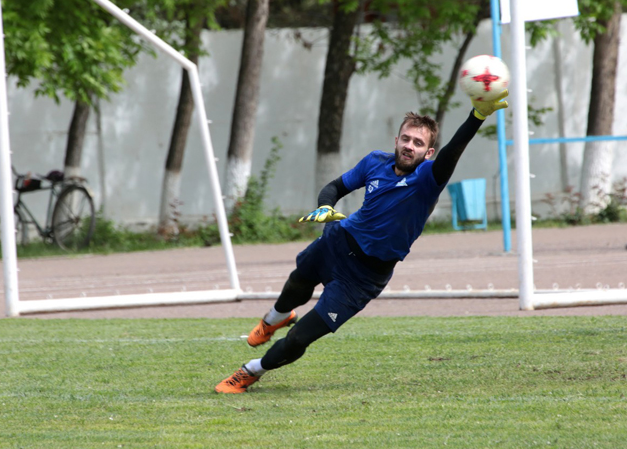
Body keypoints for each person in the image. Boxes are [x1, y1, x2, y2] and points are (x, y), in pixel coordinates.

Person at [215, 90, 508, 394]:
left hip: (364, 276)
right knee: (298, 281)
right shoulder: (375, 162)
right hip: (339, 241)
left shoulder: (427, 179)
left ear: (429, 153)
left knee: (300, 339)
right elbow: (335, 187)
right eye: (406, 139)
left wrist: (477, 117)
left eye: (418, 143)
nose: (410, 146)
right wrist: (326, 207)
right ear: (396, 140)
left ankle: (251, 371)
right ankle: (275, 317)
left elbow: (453, 153)